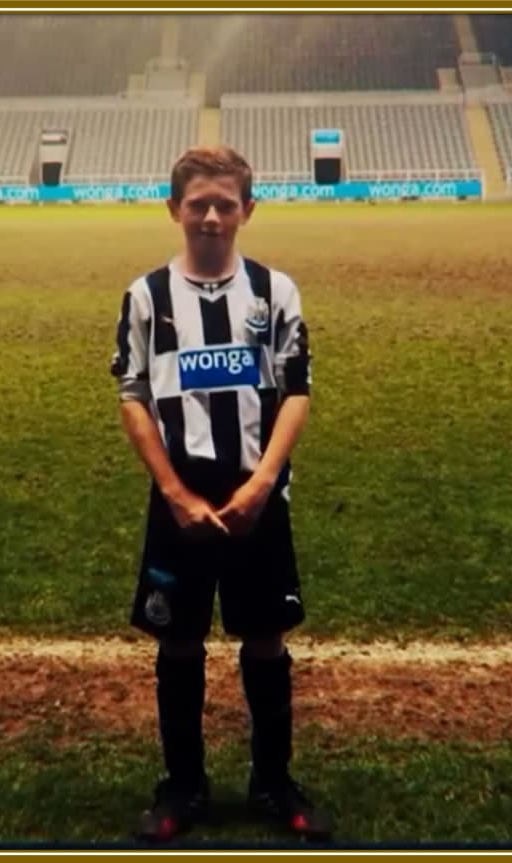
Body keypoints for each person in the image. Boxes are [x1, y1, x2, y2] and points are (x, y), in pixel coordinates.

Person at [110, 146, 333, 843]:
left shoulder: (275, 291)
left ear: (247, 209)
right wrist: (174, 491)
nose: (211, 215)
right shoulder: (146, 295)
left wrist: (265, 482)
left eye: (225, 203)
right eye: (198, 203)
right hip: (179, 499)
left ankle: (274, 783)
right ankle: (183, 787)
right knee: (177, 641)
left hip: (257, 494)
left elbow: (296, 391)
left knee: (265, 639)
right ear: (174, 208)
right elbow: (133, 396)